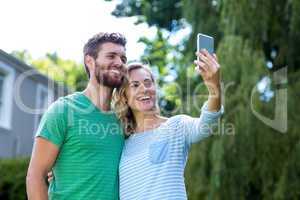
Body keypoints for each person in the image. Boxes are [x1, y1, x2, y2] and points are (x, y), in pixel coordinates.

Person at [26, 32, 128, 200]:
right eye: (111, 56)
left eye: (123, 58)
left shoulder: (123, 121)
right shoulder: (63, 110)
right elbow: (35, 176)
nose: (119, 63)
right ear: (90, 61)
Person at [113, 49, 223, 200]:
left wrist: (214, 87)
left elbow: (206, 125)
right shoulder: (121, 142)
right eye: (135, 85)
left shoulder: (176, 126)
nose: (144, 88)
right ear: (124, 96)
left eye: (148, 83)